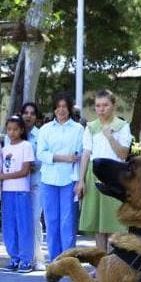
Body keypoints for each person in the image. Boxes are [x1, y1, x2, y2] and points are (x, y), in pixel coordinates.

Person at [78, 89, 133, 252]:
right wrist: (81, 180)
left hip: (115, 176)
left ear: (113, 106)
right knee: (98, 224)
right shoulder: (90, 127)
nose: (101, 109)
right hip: (94, 175)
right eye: (98, 106)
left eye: (105, 105)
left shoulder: (122, 127)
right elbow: (86, 154)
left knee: (114, 223)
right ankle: (100, 263)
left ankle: (112, 263)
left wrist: (110, 136)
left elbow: (123, 153)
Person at [36, 93, 85, 262]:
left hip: (69, 179)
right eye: (58, 106)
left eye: (64, 106)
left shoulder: (78, 129)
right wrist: (63, 157)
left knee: (68, 221)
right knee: (52, 220)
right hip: (48, 179)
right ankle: (54, 259)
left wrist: (80, 181)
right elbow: (41, 153)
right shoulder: (45, 129)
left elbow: (79, 155)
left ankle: (68, 259)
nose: (61, 110)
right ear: (54, 109)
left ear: (70, 109)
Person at [0, 114, 36, 273]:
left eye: (15, 129)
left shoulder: (26, 146)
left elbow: (25, 171)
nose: (12, 132)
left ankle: (26, 260)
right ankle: (14, 258)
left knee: (24, 226)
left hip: (21, 191)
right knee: (9, 226)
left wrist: (3, 176)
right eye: (9, 129)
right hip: (7, 192)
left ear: (21, 130)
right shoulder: (4, 149)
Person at [20, 101, 45, 268]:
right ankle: (23, 257)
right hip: (18, 185)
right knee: (21, 221)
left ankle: (38, 258)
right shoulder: (13, 133)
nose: (28, 115)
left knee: (35, 219)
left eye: (32, 113)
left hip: (36, 183)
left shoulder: (41, 134)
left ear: (36, 117)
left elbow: (42, 159)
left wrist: (30, 164)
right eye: (26, 112)